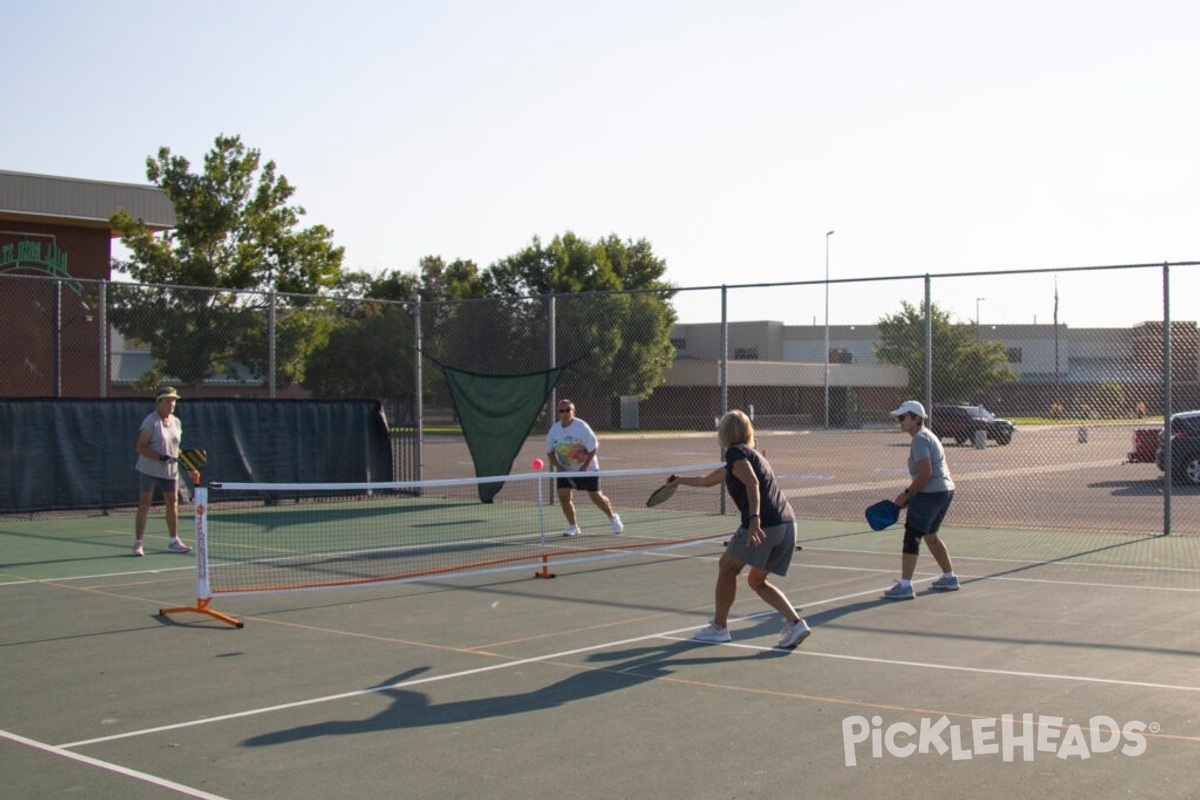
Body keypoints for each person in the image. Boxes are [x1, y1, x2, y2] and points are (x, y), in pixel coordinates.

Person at [668, 410, 811, 649]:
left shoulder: (736, 453)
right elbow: (706, 480)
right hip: (786, 524)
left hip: (763, 524)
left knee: (727, 567)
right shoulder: (750, 457)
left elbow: (752, 483)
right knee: (757, 581)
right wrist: (679, 480)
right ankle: (796, 623)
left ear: (725, 433)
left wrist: (754, 518)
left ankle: (719, 627)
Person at [882, 400, 959, 599]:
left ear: (916, 419)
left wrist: (907, 494)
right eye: (898, 418)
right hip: (945, 491)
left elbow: (925, 473)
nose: (899, 421)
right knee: (930, 535)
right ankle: (949, 577)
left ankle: (905, 585)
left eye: (902, 417)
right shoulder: (926, 436)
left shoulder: (920, 439)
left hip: (931, 493)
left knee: (912, 536)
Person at [544, 398, 622, 537]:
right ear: (558, 413)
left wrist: (585, 466)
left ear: (573, 411)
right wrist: (558, 467)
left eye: (568, 410)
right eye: (562, 411)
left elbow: (594, 447)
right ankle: (573, 526)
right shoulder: (554, 430)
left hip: (588, 468)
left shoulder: (582, 427)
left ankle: (613, 518)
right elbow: (550, 452)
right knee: (563, 495)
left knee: (596, 496)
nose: (565, 413)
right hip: (566, 469)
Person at [132, 386, 192, 556]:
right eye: (169, 400)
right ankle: (138, 543)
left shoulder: (177, 422)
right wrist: (160, 457)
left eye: (174, 400)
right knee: (145, 504)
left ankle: (174, 541)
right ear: (159, 402)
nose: (172, 403)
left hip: (170, 472)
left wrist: (187, 465)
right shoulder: (150, 421)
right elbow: (140, 448)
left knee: (173, 503)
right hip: (149, 469)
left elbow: (176, 449)